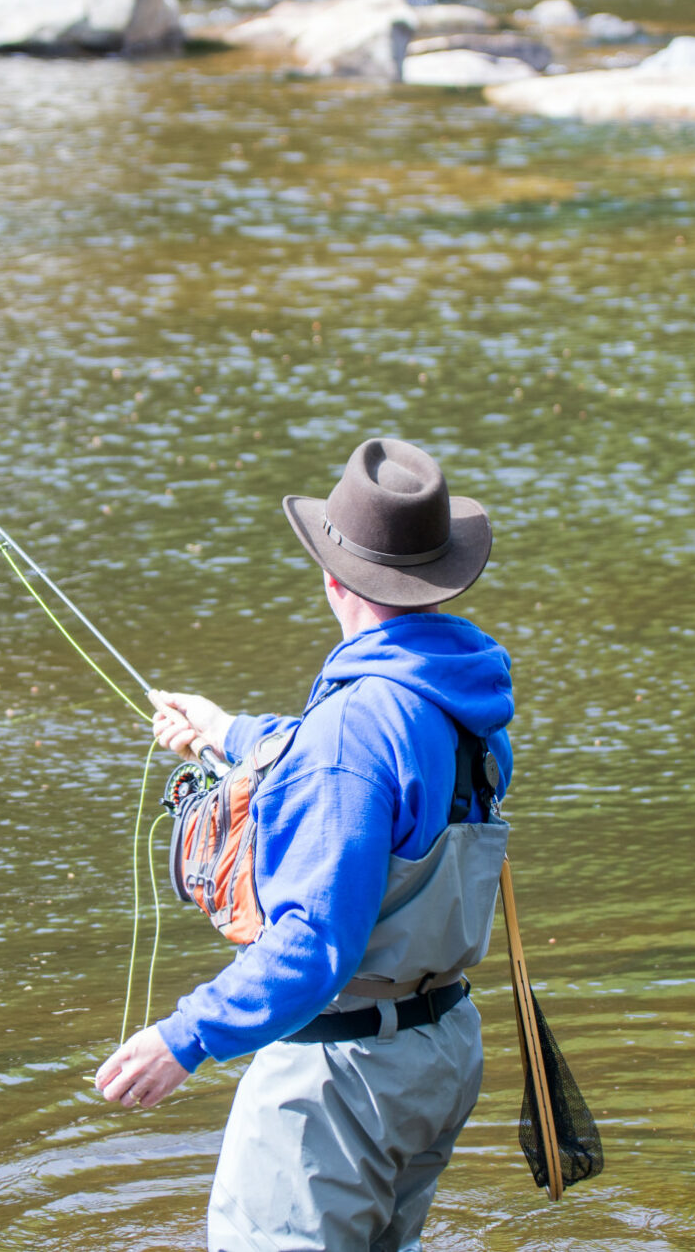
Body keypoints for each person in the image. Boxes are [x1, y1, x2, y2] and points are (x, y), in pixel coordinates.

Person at [93, 436, 518, 1252]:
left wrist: (185, 1036)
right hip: (437, 1052)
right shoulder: (465, 705)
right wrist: (227, 734)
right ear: (437, 580)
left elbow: (312, 944)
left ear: (333, 578)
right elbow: (360, 769)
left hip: (340, 1080)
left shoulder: (349, 734)